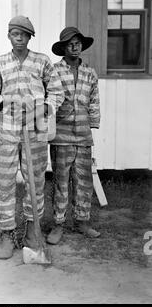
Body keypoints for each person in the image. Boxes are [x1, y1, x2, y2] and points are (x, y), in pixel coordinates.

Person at [0, 16, 64, 259]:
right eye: (15, 34)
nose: (19, 38)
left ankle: (32, 231)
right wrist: (2, 102)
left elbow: (56, 92)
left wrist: (44, 108)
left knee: (35, 181)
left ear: (30, 37)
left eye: (24, 34)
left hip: (35, 132)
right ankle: (7, 234)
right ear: (9, 36)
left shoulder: (42, 62)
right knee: (4, 183)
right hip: (8, 132)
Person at [47, 27, 101, 245]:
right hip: (61, 135)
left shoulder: (90, 73)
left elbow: (94, 100)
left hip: (83, 136)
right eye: (70, 43)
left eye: (77, 43)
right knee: (61, 181)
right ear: (63, 48)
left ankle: (82, 221)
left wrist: (93, 122)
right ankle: (58, 224)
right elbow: (50, 99)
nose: (74, 47)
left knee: (83, 181)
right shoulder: (55, 71)